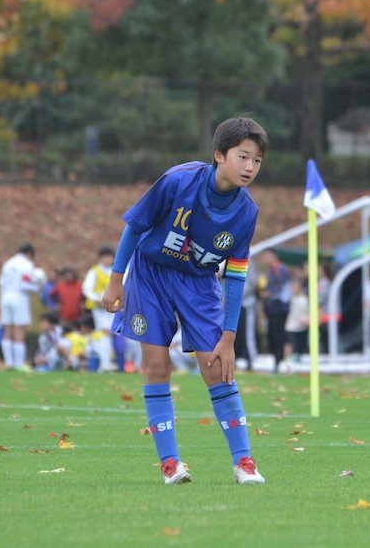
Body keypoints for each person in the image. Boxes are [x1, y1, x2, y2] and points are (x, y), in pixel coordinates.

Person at [102, 116, 268, 486]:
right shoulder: (179, 180)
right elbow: (136, 225)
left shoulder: (246, 213)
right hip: (151, 274)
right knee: (157, 365)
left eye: (257, 161)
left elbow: (236, 274)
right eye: (243, 157)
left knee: (217, 367)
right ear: (219, 155)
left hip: (198, 282)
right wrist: (116, 280)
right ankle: (171, 464)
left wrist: (229, 335)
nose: (250, 167)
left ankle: (245, 463)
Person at [0, 244, 40, 371]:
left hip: (5, 296)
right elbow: (25, 284)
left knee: (7, 330)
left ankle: (8, 362)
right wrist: (37, 286)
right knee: (19, 329)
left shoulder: (8, 264)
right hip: (19, 297)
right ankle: (19, 363)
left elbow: (1, 283)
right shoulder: (26, 265)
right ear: (29, 253)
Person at [258, 249, 292, 374]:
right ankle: (277, 361)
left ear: (274, 256)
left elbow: (282, 289)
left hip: (279, 308)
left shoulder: (281, 270)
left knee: (278, 335)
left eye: (266, 256)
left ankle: (279, 362)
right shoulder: (267, 272)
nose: (264, 260)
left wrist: (269, 294)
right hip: (270, 309)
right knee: (271, 335)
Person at [284, 277, 309, 366]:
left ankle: (299, 359)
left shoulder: (304, 299)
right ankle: (289, 359)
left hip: (301, 326)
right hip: (291, 326)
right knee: (292, 343)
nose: (293, 290)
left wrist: (306, 319)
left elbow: (307, 311)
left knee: (301, 345)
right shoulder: (289, 299)